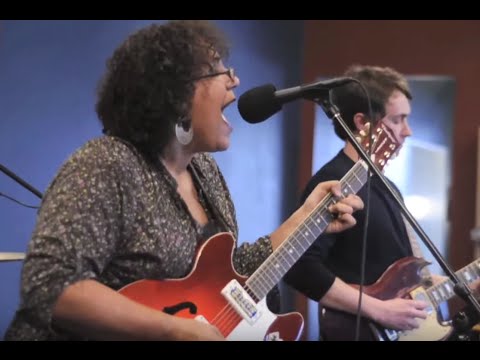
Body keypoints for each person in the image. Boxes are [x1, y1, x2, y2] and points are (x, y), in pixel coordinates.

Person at [3, 20, 363, 341]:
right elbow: (49, 285)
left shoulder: (204, 170)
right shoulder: (106, 165)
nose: (234, 79)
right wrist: (174, 328)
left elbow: (227, 279)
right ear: (173, 94)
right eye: (217, 70)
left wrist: (307, 218)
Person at [283, 65, 432, 341]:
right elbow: (298, 267)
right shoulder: (332, 182)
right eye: (398, 120)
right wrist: (379, 311)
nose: (408, 131)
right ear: (363, 123)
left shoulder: (389, 188)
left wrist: (466, 286)